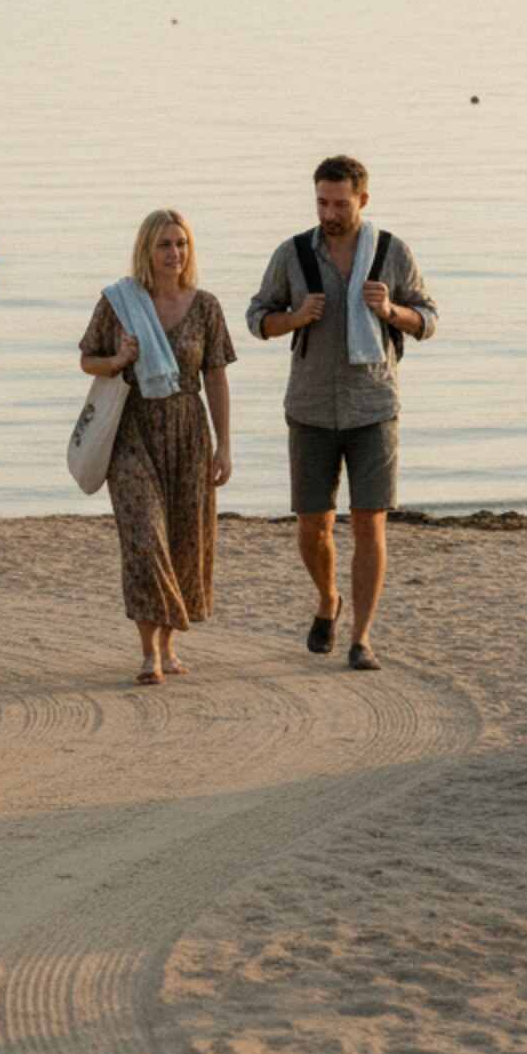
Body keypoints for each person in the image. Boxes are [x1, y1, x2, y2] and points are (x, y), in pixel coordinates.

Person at [246, 155, 438, 671]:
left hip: (374, 406)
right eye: (321, 202)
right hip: (309, 406)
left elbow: (428, 320)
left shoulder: (392, 252)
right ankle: (327, 600)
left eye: (340, 203)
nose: (329, 213)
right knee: (313, 527)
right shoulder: (292, 254)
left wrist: (391, 310)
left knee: (370, 524)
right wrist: (293, 317)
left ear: (363, 201)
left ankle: (362, 638)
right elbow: (256, 318)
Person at [80, 209, 236, 685]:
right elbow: (87, 359)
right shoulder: (119, 303)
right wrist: (118, 359)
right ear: (147, 250)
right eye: (165, 244)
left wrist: (224, 444)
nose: (175, 253)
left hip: (189, 431)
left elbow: (216, 376)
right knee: (144, 539)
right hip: (132, 432)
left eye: (182, 244)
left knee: (186, 541)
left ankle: (169, 645)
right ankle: (148, 653)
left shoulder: (206, 306)